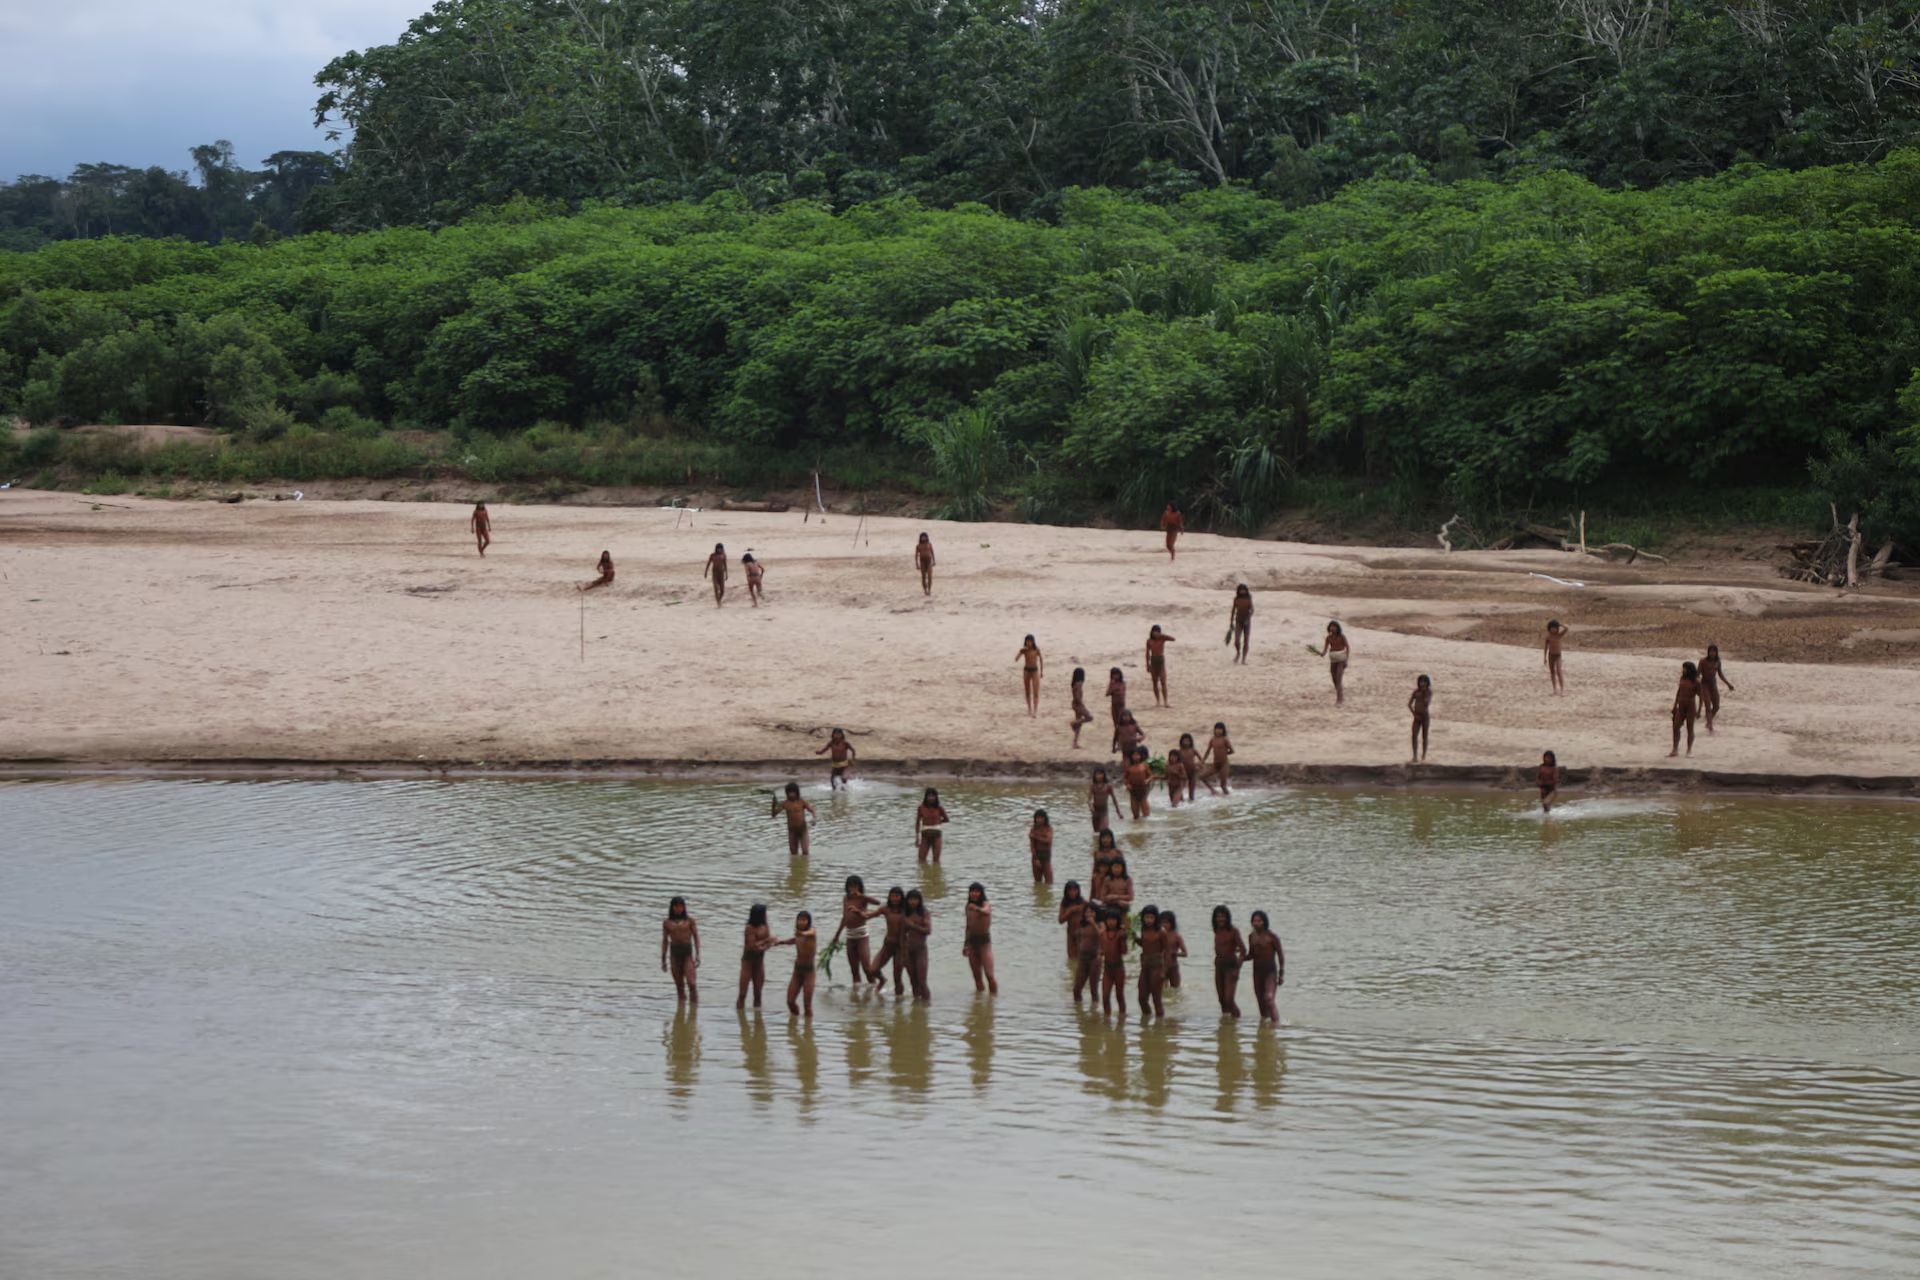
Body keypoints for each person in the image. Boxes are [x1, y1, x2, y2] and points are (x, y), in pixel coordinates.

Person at [828, 875, 883, 991]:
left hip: (861, 935)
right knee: (854, 969)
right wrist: (836, 935)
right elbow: (844, 918)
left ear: (859, 887)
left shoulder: (862, 899)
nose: (852, 889)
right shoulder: (846, 899)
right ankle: (857, 995)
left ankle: (874, 988)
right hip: (850, 935)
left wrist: (861, 896)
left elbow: (877, 903)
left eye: (855, 887)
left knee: (866, 967)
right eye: (850, 887)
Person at [775, 910, 818, 1018]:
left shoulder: (811, 932)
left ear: (808, 922)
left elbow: (810, 932)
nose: (802, 922)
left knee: (807, 1005)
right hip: (797, 971)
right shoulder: (798, 934)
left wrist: (802, 933)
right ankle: (794, 1021)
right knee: (790, 1001)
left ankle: (808, 1029)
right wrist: (781, 942)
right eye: (800, 920)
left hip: (809, 971)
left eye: (804, 920)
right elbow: (794, 940)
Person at [866, 886, 908, 994]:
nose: (894, 898)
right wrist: (858, 913)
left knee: (897, 978)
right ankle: (882, 980)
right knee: (873, 969)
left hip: (901, 947)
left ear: (901, 897)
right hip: (888, 945)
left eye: (897, 896)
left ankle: (898, 1005)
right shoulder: (886, 909)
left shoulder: (906, 911)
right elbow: (870, 915)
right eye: (892, 896)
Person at [1247, 910, 1285, 1023]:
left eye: (1259, 921)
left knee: (1269, 998)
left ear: (1264, 922)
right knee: (1261, 1003)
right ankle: (1265, 1031)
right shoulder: (1251, 937)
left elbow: (1280, 956)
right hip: (1257, 972)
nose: (1256, 923)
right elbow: (1251, 954)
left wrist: (1281, 974)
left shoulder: (1272, 937)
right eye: (1254, 921)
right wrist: (1240, 959)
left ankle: (1276, 1024)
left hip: (1270, 972)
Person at [662, 896, 700, 1003]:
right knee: (679, 985)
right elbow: (665, 941)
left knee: (691, 983)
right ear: (672, 908)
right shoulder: (667, 923)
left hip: (687, 953)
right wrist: (663, 959)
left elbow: (696, 937)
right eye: (676, 907)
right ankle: (681, 1010)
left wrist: (697, 954)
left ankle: (694, 1008)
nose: (678, 909)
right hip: (674, 954)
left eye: (681, 907)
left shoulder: (690, 921)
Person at [736, 903, 774, 1009]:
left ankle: (757, 1019)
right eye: (765, 913)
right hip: (748, 962)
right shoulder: (749, 928)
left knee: (758, 993)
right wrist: (767, 941)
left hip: (759, 961)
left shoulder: (765, 926)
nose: (766, 915)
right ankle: (740, 1015)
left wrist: (769, 943)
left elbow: (766, 945)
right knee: (742, 993)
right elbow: (752, 946)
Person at [1211, 905, 1245, 1018]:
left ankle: (1237, 1019)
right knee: (1221, 999)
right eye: (1218, 917)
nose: (1221, 919)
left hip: (1231, 966)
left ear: (1228, 918)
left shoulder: (1234, 931)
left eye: (1223, 917)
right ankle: (1226, 1025)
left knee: (1229, 998)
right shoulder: (1216, 930)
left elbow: (1243, 951)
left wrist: (1237, 968)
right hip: (1219, 964)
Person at [963, 882, 997, 994]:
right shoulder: (968, 907)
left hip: (984, 941)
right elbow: (968, 926)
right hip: (972, 941)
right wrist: (965, 944)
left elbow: (986, 912)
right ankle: (980, 1002)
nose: (974, 894)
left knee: (989, 974)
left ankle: (993, 1000)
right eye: (972, 891)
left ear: (981, 893)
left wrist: (977, 909)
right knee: (977, 976)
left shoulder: (985, 904)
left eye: (977, 891)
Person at [1136, 904, 1168, 1019]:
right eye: (1146, 917)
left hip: (1156, 965)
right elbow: (1145, 944)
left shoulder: (1161, 932)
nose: (1149, 920)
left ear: (1156, 918)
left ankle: (1160, 1027)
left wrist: (1164, 972)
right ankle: (1146, 1019)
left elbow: (1167, 951)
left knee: (1156, 998)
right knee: (1141, 998)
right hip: (1145, 965)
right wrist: (1135, 939)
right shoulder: (1143, 929)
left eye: (1151, 917)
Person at [901, 888, 932, 1001]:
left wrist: (913, 926)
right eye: (910, 900)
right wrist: (903, 954)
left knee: (922, 980)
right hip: (908, 950)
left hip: (921, 950)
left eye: (915, 899)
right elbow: (902, 934)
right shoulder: (905, 914)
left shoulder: (924, 913)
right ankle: (917, 1009)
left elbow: (928, 931)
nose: (913, 902)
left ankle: (927, 1007)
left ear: (919, 901)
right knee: (913, 981)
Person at [770, 781, 815, 857]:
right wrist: (773, 804)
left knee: (805, 851)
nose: (791, 794)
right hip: (792, 830)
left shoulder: (802, 802)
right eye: (789, 792)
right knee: (793, 853)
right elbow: (774, 814)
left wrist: (814, 818)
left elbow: (812, 810)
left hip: (802, 829)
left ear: (796, 793)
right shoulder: (785, 803)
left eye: (792, 792)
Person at [1309, 621, 1350, 705]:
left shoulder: (1341, 637)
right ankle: (1340, 695)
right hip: (1333, 660)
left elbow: (1347, 647)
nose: (1333, 628)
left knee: (1338, 678)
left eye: (1334, 627)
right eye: (1331, 627)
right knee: (1334, 679)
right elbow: (1325, 649)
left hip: (1341, 659)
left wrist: (1346, 659)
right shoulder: (1328, 638)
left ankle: (1339, 699)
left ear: (1337, 628)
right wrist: (1320, 653)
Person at [1099, 909, 1130, 1015]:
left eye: (1114, 920)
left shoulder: (1120, 933)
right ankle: (1106, 1019)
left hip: (1118, 968)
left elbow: (1124, 952)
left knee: (1119, 995)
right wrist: (1099, 953)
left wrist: (1123, 940)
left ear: (1118, 921)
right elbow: (1102, 949)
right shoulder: (1103, 934)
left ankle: (1122, 1019)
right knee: (1105, 996)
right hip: (1107, 969)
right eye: (1109, 920)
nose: (1111, 922)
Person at [1072, 902, 1103, 1004]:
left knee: (1093, 990)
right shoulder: (1082, 925)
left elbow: (1101, 935)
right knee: (1076, 989)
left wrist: (1093, 923)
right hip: (1082, 958)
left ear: (1096, 913)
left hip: (1094, 958)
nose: (1088, 914)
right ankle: (1079, 1012)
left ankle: (1094, 1013)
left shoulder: (1100, 924)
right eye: (1087, 912)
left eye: (1091, 912)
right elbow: (1077, 940)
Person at [1699, 644, 1735, 733]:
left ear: (1716, 652)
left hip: (1713, 684)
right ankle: (1710, 727)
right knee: (1707, 705)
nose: (1712, 653)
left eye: (1714, 652)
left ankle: (1708, 721)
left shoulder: (1717, 662)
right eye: (1711, 652)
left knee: (1716, 706)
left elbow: (1720, 674)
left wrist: (1728, 684)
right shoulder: (1703, 661)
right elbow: (1697, 674)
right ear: (1708, 652)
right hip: (1704, 684)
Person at [1670, 661, 1702, 757]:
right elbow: (1679, 692)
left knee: (1690, 728)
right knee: (1676, 727)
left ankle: (1689, 750)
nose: (1682, 670)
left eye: (1684, 668)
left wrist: (1699, 711)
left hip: (1690, 706)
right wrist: (1675, 705)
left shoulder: (1696, 681)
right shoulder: (1682, 679)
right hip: (1681, 705)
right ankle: (1675, 749)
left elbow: (1701, 697)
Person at [915, 787, 950, 864]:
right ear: (926, 797)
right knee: (921, 860)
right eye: (929, 796)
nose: (931, 798)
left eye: (933, 796)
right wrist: (917, 838)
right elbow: (917, 822)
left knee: (936, 861)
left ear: (936, 797)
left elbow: (947, 819)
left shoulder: (939, 808)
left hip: (936, 836)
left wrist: (938, 822)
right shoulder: (921, 808)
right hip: (925, 836)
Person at [1145, 625, 1177, 707]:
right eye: (1155, 632)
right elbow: (1147, 653)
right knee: (1155, 682)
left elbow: (1173, 639)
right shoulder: (1149, 641)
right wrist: (1147, 664)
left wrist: (1162, 636)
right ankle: (1158, 701)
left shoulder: (1162, 639)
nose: (1156, 633)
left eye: (1158, 632)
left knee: (1163, 681)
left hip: (1161, 660)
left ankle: (1166, 701)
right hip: (1153, 660)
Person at [1058, 881, 1091, 962]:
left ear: (1078, 891)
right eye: (1071, 890)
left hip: (1082, 934)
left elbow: (1092, 917)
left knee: (1082, 960)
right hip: (1071, 934)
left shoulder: (1083, 902)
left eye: (1075, 890)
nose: (1073, 893)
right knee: (1072, 960)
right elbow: (1061, 920)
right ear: (1067, 891)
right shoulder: (1065, 903)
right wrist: (1071, 910)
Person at [1201, 721, 1234, 794]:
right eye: (1217, 729)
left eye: (1220, 729)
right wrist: (1202, 761)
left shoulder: (1225, 739)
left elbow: (1232, 750)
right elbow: (1208, 751)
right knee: (1202, 777)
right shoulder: (1213, 740)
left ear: (1223, 730)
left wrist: (1225, 753)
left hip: (1224, 764)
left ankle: (1228, 799)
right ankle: (1212, 790)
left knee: (1223, 786)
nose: (1218, 731)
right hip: (1215, 764)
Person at [1016, 634, 1044, 717]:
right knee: (1027, 691)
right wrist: (1021, 651)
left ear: (1033, 642)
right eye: (1028, 641)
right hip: (1027, 670)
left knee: (1035, 691)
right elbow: (1016, 659)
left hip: (1034, 670)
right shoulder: (1025, 650)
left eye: (1030, 641)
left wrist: (1042, 671)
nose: (1029, 643)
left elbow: (1041, 659)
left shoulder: (1036, 649)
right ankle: (1029, 709)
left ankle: (1035, 710)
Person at [1123, 745, 1153, 820]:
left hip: (1143, 791)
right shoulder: (1129, 768)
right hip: (1133, 792)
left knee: (1146, 816)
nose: (1136, 757)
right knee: (1135, 816)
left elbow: (1151, 776)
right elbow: (1124, 778)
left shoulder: (1144, 766)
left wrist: (1147, 780)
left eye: (1138, 755)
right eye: (1134, 755)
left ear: (1141, 756)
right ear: (1131, 756)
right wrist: (1127, 784)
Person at [1090, 828, 1120, 902]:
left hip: (1113, 878)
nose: (1105, 840)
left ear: (1111, 839)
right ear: (1100, 839)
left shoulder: (1117, 853)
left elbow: (1121, 868)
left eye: (1108, 837)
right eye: (1103, 838)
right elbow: (1095, 870)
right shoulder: (1097, 854)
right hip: (1100, 879)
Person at [1068, 667, 1094, 749]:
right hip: (1078, 704)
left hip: (1076, 704)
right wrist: (1082, 705)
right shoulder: (1078, 685)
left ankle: (1075, 742)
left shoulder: (1075, 684)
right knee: (1089, 717)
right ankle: (1073, 723)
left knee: (1079, 724)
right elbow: (1077, 698)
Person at [1161, 910, 1187, 990]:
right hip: (1161, 966)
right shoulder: (1159, 935)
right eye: (1162, 922)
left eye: (1167, 923)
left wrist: (1175, 954)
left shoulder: (1176, 936)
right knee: (1163, 990)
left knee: (1175, 989)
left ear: (1172, 923)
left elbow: (1185, 953)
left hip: (1173, 967)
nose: (1164, 925)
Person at [1409, 674, 1432, 762]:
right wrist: (1414, 714)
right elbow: (1409, 704)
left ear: (1427, 683)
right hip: (1417, 715)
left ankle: (1423, 756)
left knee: (1424, 736)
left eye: (1424, 682)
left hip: (1425, 716)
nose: (1423, 684)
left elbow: (1427, 703)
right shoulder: (1416, 692)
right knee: (1414, 735)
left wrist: (1424, 694)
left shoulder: (1428, 692)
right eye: (1421, 682)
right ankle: (1415, 756)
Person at [1227, 584, 1253, 663]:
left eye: (1243, 590)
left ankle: (1244, 658)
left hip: (1247, 621)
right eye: (1241, 590)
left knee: (1246, 640)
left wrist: (1248, 619)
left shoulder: (1249, 598)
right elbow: (1233, 610)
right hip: (1238, 620)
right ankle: (1238, 653)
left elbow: (1252, 610)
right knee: (1237, 640)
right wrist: (1231, 622)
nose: (1242, 591)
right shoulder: (1236, 599)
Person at [1087, 767, 1117, 833]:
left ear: (1104, 775)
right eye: (1097, 774)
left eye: (1100, 774)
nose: (1098, 776)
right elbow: (1089, 800)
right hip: (1095, 812)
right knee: (1096, 833)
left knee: (1103, 831)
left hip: (1104, 812)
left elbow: (1114, 799)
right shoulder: (1093, 786)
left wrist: (1118, 812)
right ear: (1094, 776)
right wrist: (1091, 808)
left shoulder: (1108, 786)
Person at [1029, 809, 1054, 885]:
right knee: (1037, 882)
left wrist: (1036, 836)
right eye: (1037, 818)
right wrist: (1036, 858)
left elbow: (1048, 840)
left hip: (1046, 855)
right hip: (1036, 855)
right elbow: (1032, 845)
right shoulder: (1034, 829)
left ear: (1044, 818)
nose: (1039, 820)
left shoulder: (1048, 828)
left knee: (1049, 881)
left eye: (1040, 818)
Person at [1544, 620, 1570, 696]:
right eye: (1552, 628)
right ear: (1549, 628)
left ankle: (1562, 690)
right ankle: (1555, 689)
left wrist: (1560, 624)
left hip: (1558, 655)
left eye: (1555, 628)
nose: (1554, 629)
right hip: (1551, 655)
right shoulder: (1548, 636)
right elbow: (1546, 647)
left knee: (1559, 671)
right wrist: (1544, 657)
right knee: (1552, 672)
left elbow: (1566, 628)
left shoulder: (1559, 635)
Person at [1177, 733, 1204, 802]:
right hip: (1183, 772)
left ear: (1191, 742)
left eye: (1188, 741)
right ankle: (1181, 801)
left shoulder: (1193, 750)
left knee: (1192, 791)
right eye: (1184, 741)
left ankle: (1191, 801)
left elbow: (1201, 759)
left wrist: (1199, 766)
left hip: (1192, 771)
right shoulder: (1179, 752)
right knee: (1180, 788)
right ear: (1181, 742)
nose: (1186, 743)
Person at [1105, 668, 1128, 744]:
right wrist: (1113, 690)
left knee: (1120, 724)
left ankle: (1121, 741)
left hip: (1121, 706)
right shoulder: (1112, 684)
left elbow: (1121, 692)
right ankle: (1118, 741)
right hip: (1114, 706)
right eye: (1114, 675)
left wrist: (1113, 690)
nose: (1115, 676)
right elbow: (1107, 693)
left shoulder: (1122, 683)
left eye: (1117, 675)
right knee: (1116, 725)